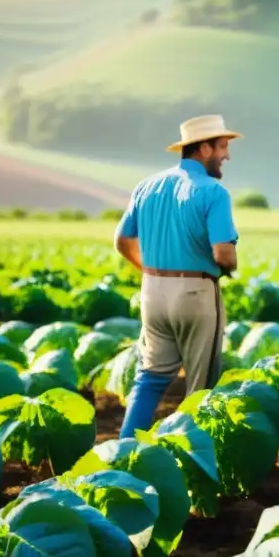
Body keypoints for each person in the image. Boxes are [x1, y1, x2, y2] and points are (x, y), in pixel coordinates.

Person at [115, 115, 242, 439]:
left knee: (150, 377)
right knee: (201, 386)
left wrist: (150, 269)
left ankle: (122, 455)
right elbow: (223, 253)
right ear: (204, 148)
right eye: (223, 147)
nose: (227, 155)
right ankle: (190, 458)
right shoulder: (214, 192)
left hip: (152, 291)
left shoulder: (147, 186)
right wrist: (231, 267)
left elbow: (122, 240)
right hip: (195, 293)